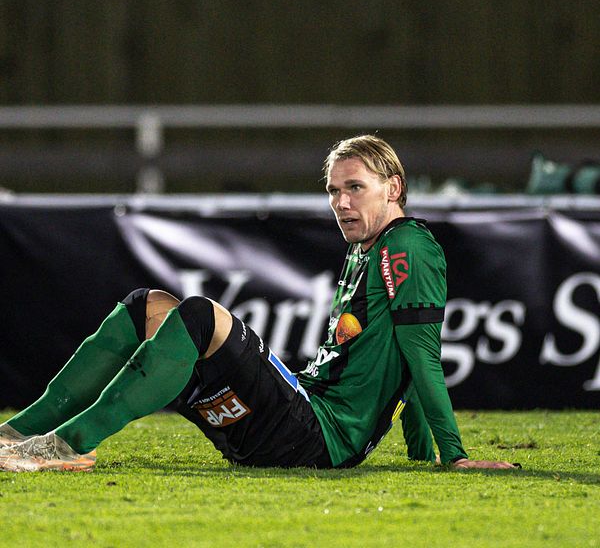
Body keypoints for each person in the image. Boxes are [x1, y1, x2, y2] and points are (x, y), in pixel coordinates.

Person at [0, 135, 517, 472]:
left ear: (394, 188)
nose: (341, 202)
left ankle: (68, 443)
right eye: (334, 190)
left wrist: (454, 457)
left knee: (200, 316)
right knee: (147, 307)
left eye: (356, 188)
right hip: (291, 425)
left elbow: (419, 354)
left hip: (316, 439)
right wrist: (420, 454)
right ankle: (18, 432)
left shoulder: (408, 246)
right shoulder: (366, 251)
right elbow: (400, 357)